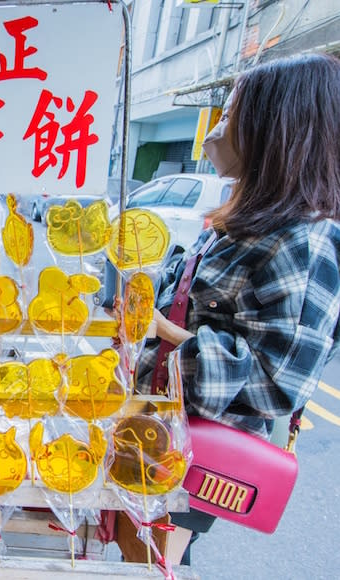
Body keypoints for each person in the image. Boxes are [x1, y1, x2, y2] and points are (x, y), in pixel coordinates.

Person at [128, 52, 340, 565]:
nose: (213, 133)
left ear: (275, 132)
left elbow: (276, 381)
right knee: (139, 551)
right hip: (159, 427)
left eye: (229, 117)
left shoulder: (304, 240)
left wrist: (167, 334)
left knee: (160, 561)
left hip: (201, 449)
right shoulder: (241, 219)